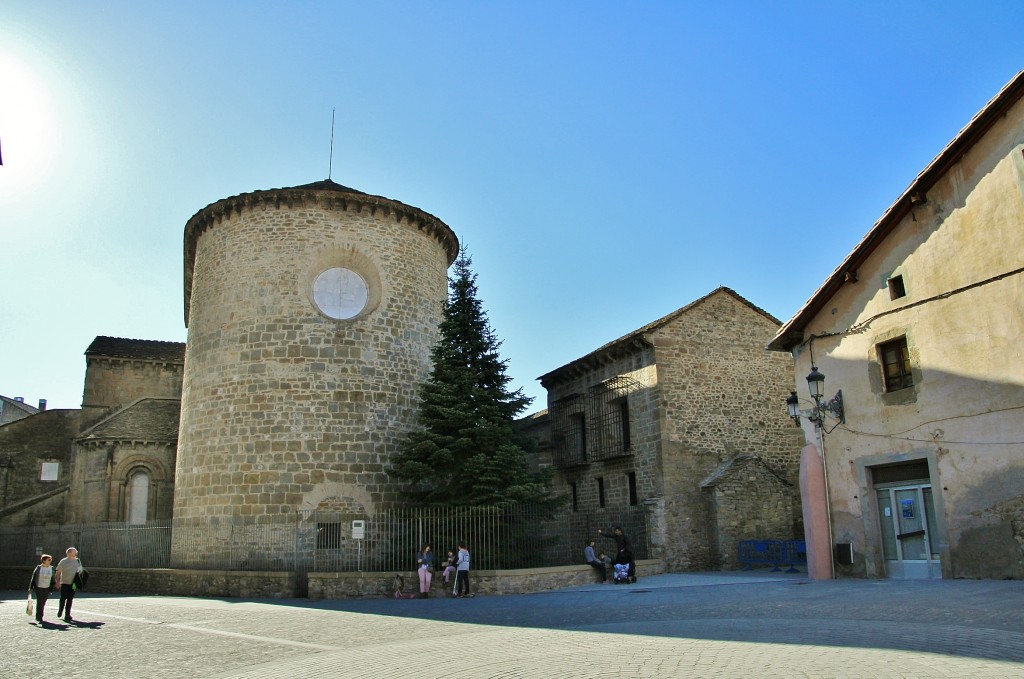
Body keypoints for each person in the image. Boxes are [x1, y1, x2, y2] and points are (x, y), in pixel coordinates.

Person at [55, 546, 84, 622]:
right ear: (69, 553)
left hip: (73, 583)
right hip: (64, 582)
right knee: (63, 598)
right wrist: (57, 582)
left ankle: (67, 614)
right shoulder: (63, 561)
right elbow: (58, 572)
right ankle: (60, 610)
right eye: (75, 552)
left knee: (70, 599)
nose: (76, 553)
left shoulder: (78, 561)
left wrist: (80, 571)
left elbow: (80, 571)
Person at [27, 554, 55, 623]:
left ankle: (39, 615)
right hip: (38, 586)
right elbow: (33, 577)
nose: (50, 561)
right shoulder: (38, 567)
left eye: (50, 559)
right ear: (44, 561)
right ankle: (39, 617)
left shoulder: (52, 568)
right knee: (40, 601)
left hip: (47, 587)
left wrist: (53, 586)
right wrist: (30, 587)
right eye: (48, 560)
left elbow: (53, 579)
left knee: (43, 602)